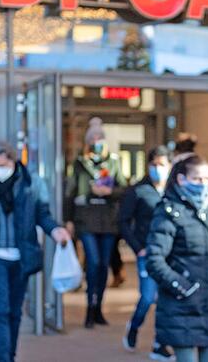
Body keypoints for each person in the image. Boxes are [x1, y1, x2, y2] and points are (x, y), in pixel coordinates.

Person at [0, 141, 70, 362]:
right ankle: (3, 359)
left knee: (15, 312)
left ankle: (11, 355)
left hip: (21, 256)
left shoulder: (32, 183)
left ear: (11, 160)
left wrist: (55, 230)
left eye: (1, 165)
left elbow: (42, 214)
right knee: (1, 310)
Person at [146, 154, 208, 362]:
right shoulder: (168, 211)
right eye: (198, 179)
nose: (203, 184)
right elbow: (154, 260)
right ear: (182, 179)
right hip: (181, 307)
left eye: (207, 179)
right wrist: (184, 287)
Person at [65, 117, 127, 328]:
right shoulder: (80, 164)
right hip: (86, 219)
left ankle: (99, 306)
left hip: (108, 220)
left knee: (103, 265)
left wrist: (110, 191)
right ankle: (90, 308)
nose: (97, 141)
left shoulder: (114, 162)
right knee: (92, 262)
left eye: (100, 137)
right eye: (93, 138)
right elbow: (70, 192)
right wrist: (68, 219)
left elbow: (123, 190)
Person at [119, 146, 175, 361]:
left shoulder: (174, 190)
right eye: (154, 164)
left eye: (162, 164)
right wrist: (137, 247)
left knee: (166, 300)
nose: (158, 169)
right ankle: (134, 326)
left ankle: (160, 344)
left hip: (170, 255)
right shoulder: (138, 191)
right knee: (148, 297)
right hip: (148, 252)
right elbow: (123, 221)